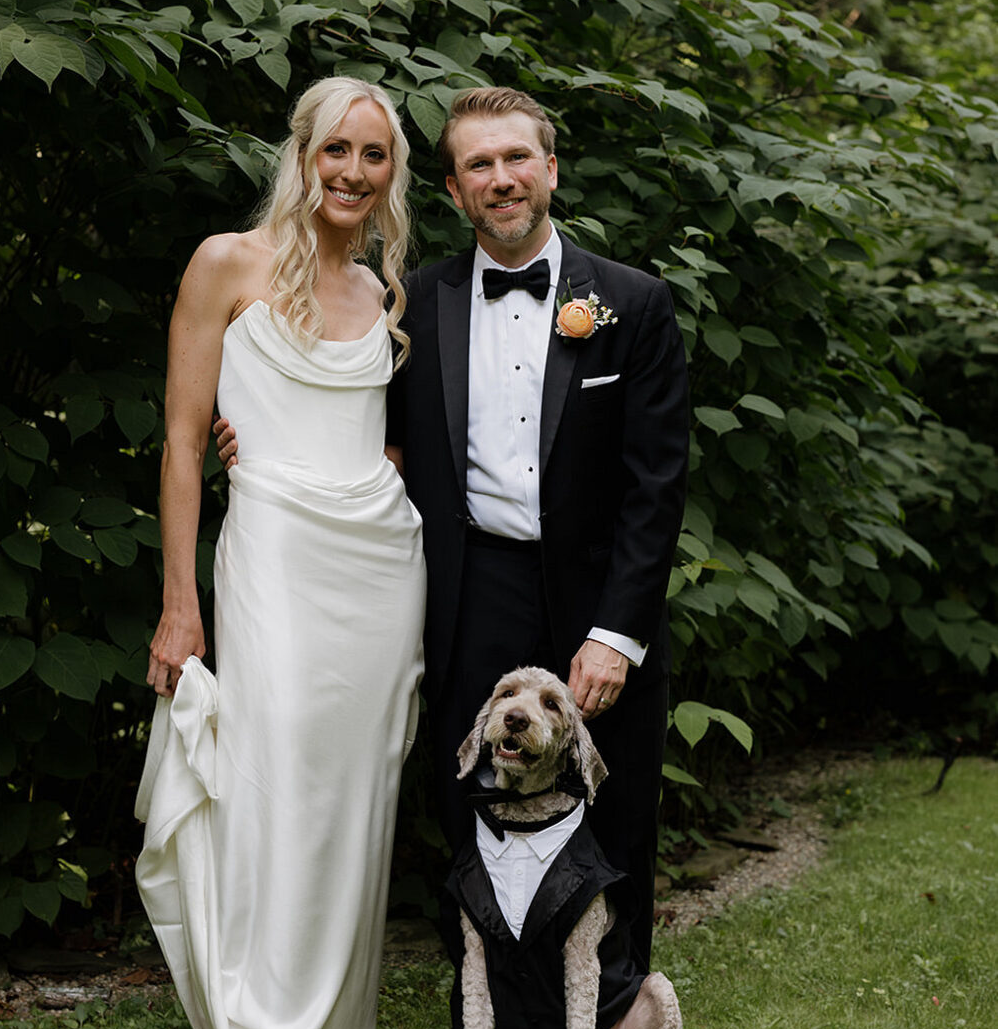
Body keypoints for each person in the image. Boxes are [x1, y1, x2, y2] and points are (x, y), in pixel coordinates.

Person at [217, 85, 689, 974]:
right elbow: (359, 427)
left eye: (517, 159)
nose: (501, 179)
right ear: (451, 189)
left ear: (549, 169)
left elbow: (655, 489)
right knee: (476, 816)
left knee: (613, 817)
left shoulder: (635, 304)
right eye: (479, 164)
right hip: (471, 592)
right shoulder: (414, 302)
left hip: (598, 600)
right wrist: (248, 427)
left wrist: (615, 636)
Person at [135, 76, 425, 1029]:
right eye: (335, 150)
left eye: (375, 156)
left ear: (392, 174)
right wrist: (180, 602)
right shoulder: (225, 264)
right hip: (268, 560)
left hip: (379, 572)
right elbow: (178, 442)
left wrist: (385, 461)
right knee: (263, 799)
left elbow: (395, 432)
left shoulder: (389, 291)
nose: (352, 172)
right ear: (300, 154)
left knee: (351, 812)